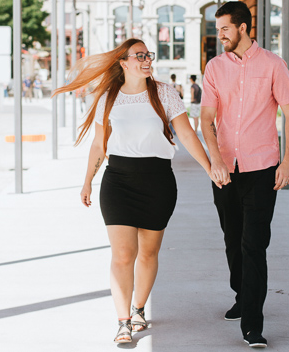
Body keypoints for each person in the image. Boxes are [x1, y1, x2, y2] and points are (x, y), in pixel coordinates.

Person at [53, 38, 219, 344]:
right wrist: (88, 180)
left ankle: (139, 307)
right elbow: (99, 144)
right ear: (123, 62)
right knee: (123, 254)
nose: (146, 60)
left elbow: (185, 134)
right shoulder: (109, 97)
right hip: (118, 180)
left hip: (157, 181)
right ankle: (123, 321)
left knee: (148, 253)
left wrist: (211, 168)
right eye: (139, 55)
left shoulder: (164, 93)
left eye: (148, 55)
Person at [201, 1, 289, 349]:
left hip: (262, 170)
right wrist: (214, 160)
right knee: (233, 240)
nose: (220, 35)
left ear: (243, 27)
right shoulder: (215, 67)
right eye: (218, 30)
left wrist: (287, 161)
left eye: (224, 29)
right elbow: (206, 120)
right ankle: (242, 294)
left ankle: (252, 325)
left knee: (254, 245)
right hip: (225, 170)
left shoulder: (273, 65)